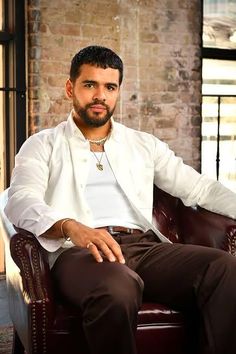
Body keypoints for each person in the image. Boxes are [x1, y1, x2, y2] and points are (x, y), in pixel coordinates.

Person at [5, 45, 236, 354]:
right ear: (70, 88)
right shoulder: (42, 145)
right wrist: (71, 227)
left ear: (117, 92)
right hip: (79, 253)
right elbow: (19, 200)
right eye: (90, 85)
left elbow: (200, 189)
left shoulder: (142, 145)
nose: (100, 95)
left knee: (224, 268)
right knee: (117, 287)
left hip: (143, 248)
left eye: (109, 87)